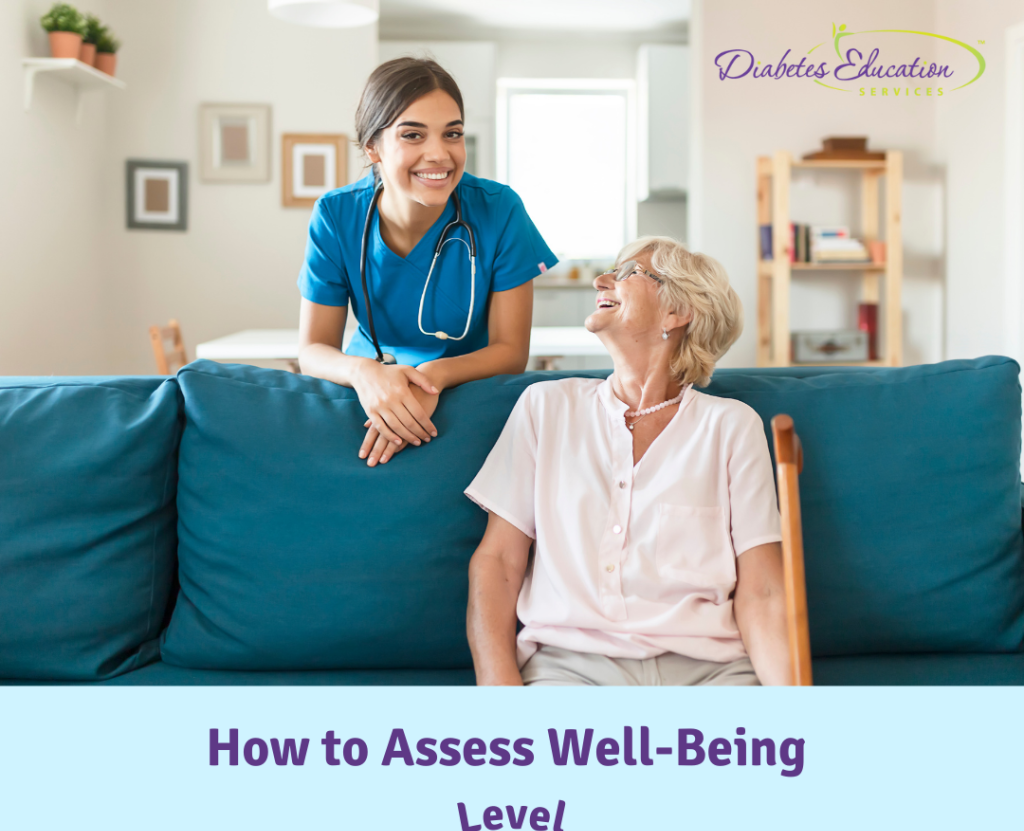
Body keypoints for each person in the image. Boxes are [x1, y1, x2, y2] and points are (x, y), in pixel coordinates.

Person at [464, 236, 790, 687]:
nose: (602, 280)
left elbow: (764, 592)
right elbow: (497, 563)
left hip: (711, 673)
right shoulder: (545, 407)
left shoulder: (732, 426)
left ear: (677, 313)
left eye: (627, 273)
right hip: (571, 668)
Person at [297, 58, 557, 467]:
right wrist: (366, 375)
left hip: (467, 393)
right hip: (370, 393)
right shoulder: (336, 215)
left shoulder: (499, 210)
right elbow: (313, 349)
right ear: (373, 148)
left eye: (452, 133)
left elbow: (510, 351)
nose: (439, 154)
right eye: (412, 135)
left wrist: (433, 379)